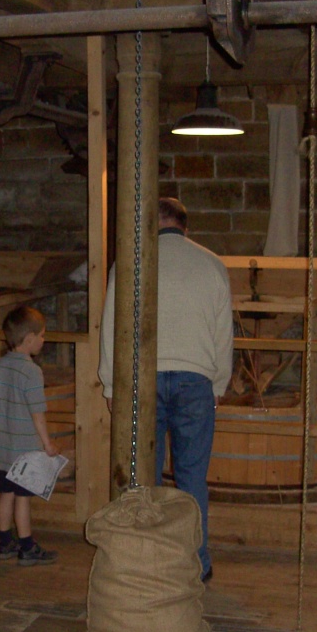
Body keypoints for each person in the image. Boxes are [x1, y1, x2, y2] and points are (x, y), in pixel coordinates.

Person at [98, 197, 233, 582]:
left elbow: (111, 326)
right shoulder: (211, 264)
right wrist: (219, 381)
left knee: (143, 478)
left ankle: (146, 562)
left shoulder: (129, 262)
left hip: (143, 380)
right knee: (192, 478)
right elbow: (224, 334)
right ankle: (197, 564)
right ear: (184, 225)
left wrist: (111, 383)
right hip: (195, 381)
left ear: (151, 221)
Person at [0, 305, 60, 566]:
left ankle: (4, 542)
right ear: (29, 340)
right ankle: (27, 547)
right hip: (25, 449)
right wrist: (47, 443)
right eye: (42, 336)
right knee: (23, 498)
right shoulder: (32, 372)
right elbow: (37, 412)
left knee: (5, 494)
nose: (43, 340)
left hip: (2, 447)